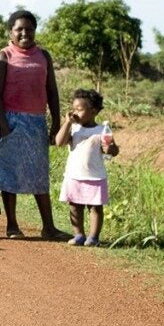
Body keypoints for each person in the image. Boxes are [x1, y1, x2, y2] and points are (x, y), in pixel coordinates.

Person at [0, 10, 68, 240]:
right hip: (11, 121)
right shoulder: (3, 56)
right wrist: (3, 124)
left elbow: (52, 91)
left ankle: (49, 227)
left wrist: (55, 121)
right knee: (9, 173)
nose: (25, 33)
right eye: (19, 29)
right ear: (11, 32)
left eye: (29, 29)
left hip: (36, 122)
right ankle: (12, 225)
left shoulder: (44, 56)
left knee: (39, 174)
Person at [55, 88, 118, 246]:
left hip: (95, 176)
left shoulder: (102, 129)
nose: (75, 112)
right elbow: (59, 142)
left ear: (94, 111)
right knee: (74, 206)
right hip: (74, 175)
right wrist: (67, 123)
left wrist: (110, 149)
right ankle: (79, 235)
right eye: (73, 109)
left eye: (79, 109)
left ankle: (93, 237)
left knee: (95, 207)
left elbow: (113, 150)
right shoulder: (74, 128)